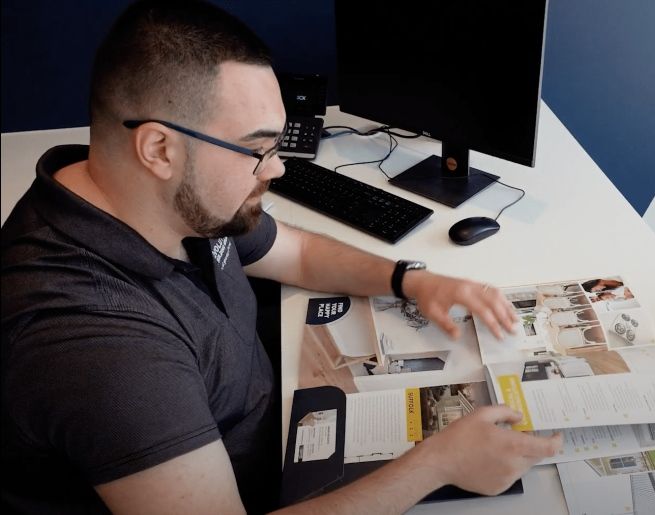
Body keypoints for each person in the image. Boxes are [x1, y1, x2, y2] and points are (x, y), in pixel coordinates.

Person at [0, 1, 561, 513]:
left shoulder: (148, 194)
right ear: (159, 148)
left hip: (283, 420)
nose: (278, 168)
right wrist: (438, 465)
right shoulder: (97, 346)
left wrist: (410, 280)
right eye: (257, 148)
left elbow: (296, 251)